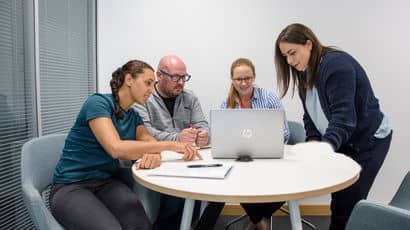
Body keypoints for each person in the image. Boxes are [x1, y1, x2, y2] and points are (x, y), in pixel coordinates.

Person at [50, 59, 201, 230]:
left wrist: (153, 154)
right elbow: (116, 148)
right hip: (71, 186)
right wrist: (169, 145)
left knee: (141, 224)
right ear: (129, 80)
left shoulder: (134, 115)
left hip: (105, 183)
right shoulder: (98, 103)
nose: (151, 90)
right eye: (148, 83)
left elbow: (149, 142)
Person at [274, 23, 392, 230]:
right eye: (285, 56)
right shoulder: (305, 71)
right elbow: (310, 115)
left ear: (308, 44)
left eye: (292, 53)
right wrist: (312, 141)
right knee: (339, 202)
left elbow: (344, 119)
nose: (290, 61)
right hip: (343, 141)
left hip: (368, 141)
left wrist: (322, 150)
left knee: (348, 205)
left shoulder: (337, 66)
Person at [134, 55, 222, 230]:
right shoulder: (144, 97)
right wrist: (177, 138)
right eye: (175, 77)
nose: (181, 82)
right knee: (175, 199)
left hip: (188, 160)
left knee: (216, 192)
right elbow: (145, 133)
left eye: (184, 77)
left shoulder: (190, 97)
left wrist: (205, 135)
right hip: (160, 162)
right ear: (159, 75)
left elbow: (202, 125)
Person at [219, 57, 290, 230]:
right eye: (239, 79)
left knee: (287, 180)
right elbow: (221, 137)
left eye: (247, 78)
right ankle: (259, 220)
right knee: (233, 179)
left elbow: (285, 132)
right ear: (232, 80)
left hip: (268, 157)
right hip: (241, 159)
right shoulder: (226, 105)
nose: (243, 83)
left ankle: (258, 218)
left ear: (254, 77)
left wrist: (267, 144)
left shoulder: (269, 98)